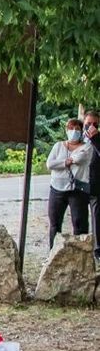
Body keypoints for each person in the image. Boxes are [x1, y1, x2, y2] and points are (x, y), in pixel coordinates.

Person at [45, 118, 92, 249]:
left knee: (79, 223)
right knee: (54, 223)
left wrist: (62, 162)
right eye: (71, 129)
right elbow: (50, 164)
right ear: (66, 130)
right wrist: (67, 161)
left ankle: (81, 253)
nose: (74, 132)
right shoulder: (58, 146)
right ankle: (53, 254)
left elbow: (80, 158)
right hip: (57, 189)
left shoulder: (86, 147)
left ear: (81, 131)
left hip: (78, 190)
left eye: (77, 129)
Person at [82, 111, 100, 260]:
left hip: (95, 185)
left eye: (95, 124)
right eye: (88, 124)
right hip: (78, 186)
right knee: (79, 219)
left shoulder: (98, 139)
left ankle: (97, 251)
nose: (91, 126)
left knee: (97, 217)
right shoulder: (76, 138)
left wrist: (95, 139)